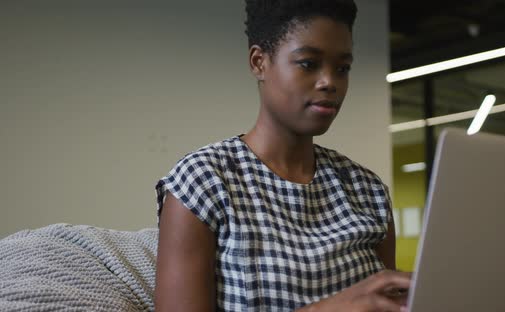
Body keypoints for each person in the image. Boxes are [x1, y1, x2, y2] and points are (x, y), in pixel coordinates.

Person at [154, 0, 412, 311]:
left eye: (342, 68)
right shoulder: (204, 182)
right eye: (308, 63)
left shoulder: (367, 191)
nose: (329, 82)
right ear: (259, 62)